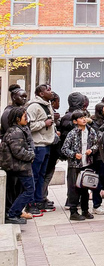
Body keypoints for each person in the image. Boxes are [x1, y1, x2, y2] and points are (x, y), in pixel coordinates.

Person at [1, 84, 32, 219]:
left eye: (26, 96)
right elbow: (17, 148)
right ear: (14, 97)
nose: (24, 99)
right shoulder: (11, 116)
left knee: (22, 189)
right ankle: (12, 211)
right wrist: (31, 154)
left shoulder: (19, 113)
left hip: (20, 163)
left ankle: (15, 211)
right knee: (19, 189)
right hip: (16, 163)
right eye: (22, 96)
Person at [61, 110, 98, 221]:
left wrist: (91, 150)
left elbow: (97, 144)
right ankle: (73, 212)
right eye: (81, 118)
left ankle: (85, 210)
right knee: (74, 189)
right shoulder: (72, 133)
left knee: (85, 188)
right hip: (75, 165)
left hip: (87, 164)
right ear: (75, 121)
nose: (83, 119)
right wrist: (74, 154)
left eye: (84, 117)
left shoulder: (91, 131)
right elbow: (64, 149)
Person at [26, 84, 56, 214]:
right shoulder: (33, 107)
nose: (51, 92)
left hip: (47, 144)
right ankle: (30, 202)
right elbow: (29, 126)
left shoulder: (47, 105)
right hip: (38, 145)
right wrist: (44, 124)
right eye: (48, 90)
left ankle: (39, 199)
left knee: (42, 174)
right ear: (41, 93)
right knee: (35, 175)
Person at [42, 92, 61, 210]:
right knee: (45, 176)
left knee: (46, 175)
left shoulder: (53, 114)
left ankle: (43, 196)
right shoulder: (49, 113)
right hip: (49, 149)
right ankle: (42, 197)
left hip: (52, 149)